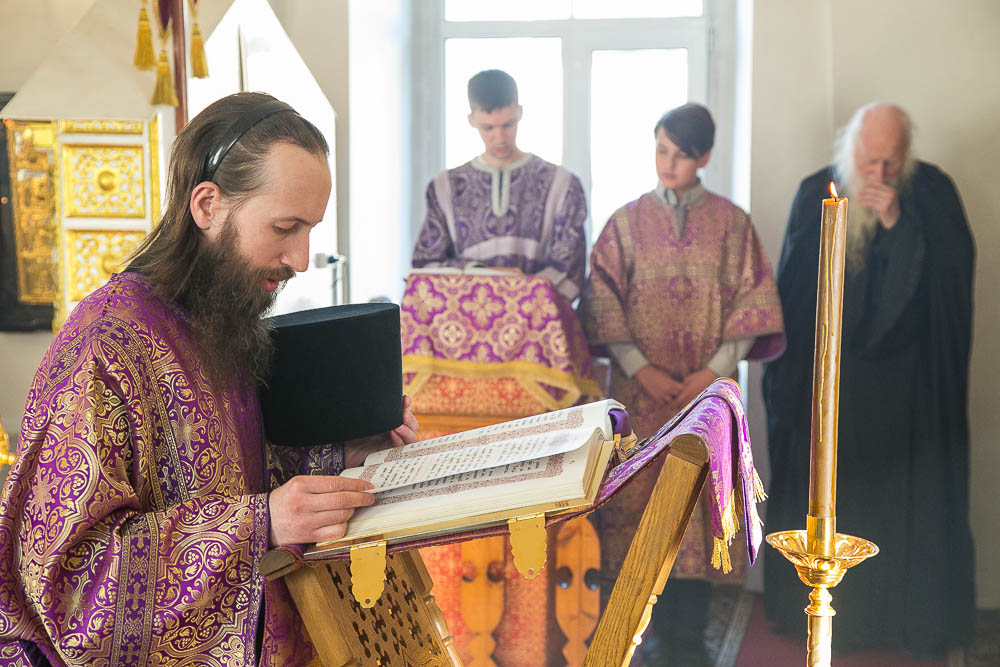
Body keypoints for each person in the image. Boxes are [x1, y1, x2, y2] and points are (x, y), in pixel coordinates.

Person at [0, 92, 419, 666]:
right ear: (207, 205)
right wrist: (261, 524)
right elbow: (69, 584)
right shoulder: (105, 345)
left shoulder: (217, 319)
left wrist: (348, 454)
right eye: (284, 227)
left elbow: (232, 474)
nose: (301, 259)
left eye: (310, 230)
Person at [762, 103, 975, 656]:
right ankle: (818, 610)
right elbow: (793, 294)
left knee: (891, 509)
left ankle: (897, 623)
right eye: (869, 162)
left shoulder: (932, 194)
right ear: (849, 150)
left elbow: (948, 290)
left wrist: (896, 226)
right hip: (831, 390)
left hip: (903, 398)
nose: (879, 174)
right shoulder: (817, 191)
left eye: (890, 163)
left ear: (906, 157)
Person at [579, 103, 784, 665]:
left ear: (705, 157)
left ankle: (690, 644)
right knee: (642, 510)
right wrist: (640, 368)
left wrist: (711, 372)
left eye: (681, 154)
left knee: (698, 509)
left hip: (706, 400)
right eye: (661, 149)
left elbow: (754, 302)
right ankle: (641, 639)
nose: (668, 163)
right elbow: (600, 301)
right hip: (639, 398)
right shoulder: (624, 224)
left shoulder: (733, 225)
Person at [411, 69, 588, 301]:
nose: (500, 137)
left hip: (536, 318)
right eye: (488, 128)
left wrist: (519, 296)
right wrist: (482, 274)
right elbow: (425, 267)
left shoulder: (563, 185)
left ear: (520, 113)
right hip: (464, 318)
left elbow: (570, 270)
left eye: (508, 124)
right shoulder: (444, 187)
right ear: (471, 120)